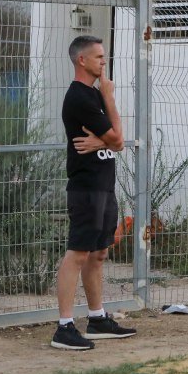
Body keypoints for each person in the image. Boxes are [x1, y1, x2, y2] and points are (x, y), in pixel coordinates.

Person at [51, 35, 137, 351]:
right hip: (86, 186)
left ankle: (97, 318)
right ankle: (63, 327)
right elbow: (118, 138)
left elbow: (116, 142)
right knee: (78, 253)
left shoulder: (95, 95)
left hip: (104, 184)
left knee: (99, 254)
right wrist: (110, 99)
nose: (104, 62)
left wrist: (103, 141)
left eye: (105, 57)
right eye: (99, 57)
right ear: (82, 61)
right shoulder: (80, 98)